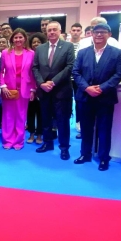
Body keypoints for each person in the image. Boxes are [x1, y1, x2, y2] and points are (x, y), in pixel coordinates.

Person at [72, 24, 121, 171]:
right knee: (86, 128)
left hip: (105, 98)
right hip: (85, 96)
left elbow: (119, 74)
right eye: (96, 32)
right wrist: (87, 88)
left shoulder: (116, 53)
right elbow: (76, 73)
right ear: (92, 34)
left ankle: (103, 158)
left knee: (104, 129)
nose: (99, 35)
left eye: (102, 32)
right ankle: (85, 154)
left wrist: (102, 88)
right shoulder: (83, 53)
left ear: (109, 34)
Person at [32, 21, 75, 160]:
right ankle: (47, 143)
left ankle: (64, 148)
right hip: (44, 90)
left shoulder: (68, 46)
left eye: (54, 30)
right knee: (45, 119)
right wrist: (41, 83)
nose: (51, 32)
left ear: (60, 31)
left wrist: (53, 81)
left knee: (62, 121)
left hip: (61, 90)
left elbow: (69, 67)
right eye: (49, 30)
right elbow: (35, 68)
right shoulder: (40, 48)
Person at [0, 28, 36, 150]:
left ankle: (19, 141)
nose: (18, 39)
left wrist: (33, 89)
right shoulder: (5, 53)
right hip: (9, 89)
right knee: (8, 115)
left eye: (20, 37)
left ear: (25, 39)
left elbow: (33, 72)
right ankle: (8, 140)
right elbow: (0, 71)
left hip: (24, 88)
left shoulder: (31, 53)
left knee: (21, 115)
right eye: (16, 37)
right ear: (12, 39)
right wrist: (3, 86)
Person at [26, 33, 46, 145]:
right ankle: (31, 134)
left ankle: (39, 134)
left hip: (43, 87)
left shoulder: (45, 55)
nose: (36, 44)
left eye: (38, 42)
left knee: (41, 112)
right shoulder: (29, 54)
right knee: (30, 112)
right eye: (34, 42)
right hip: (30, 88)